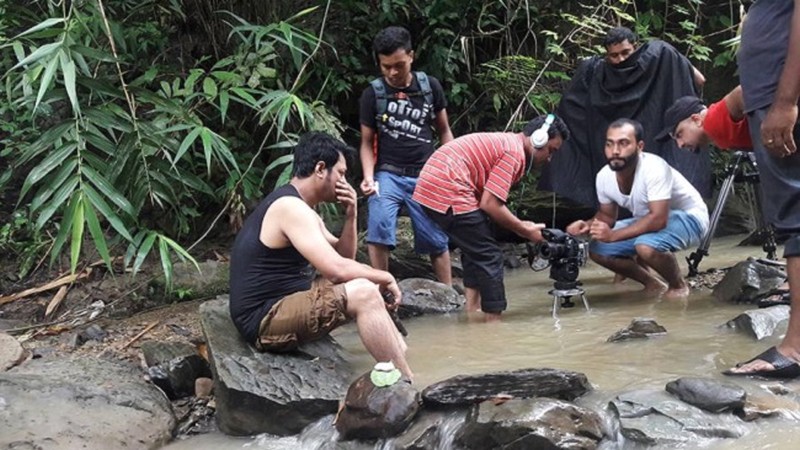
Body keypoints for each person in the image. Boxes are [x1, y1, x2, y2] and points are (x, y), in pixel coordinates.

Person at [229, 132, 412, 379]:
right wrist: (385, 275)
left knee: (363, 282)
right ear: (320, 169)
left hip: (285, 301)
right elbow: (336, 270)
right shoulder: (290, 208)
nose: (344, 181)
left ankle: (399, 352)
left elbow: (343, 258)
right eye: (342, 173)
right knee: (365, 292)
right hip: (265, 318)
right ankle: (408, 383)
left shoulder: (302, 208)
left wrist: (351, 214)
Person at [412, 115, 569, 320]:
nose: (549, 158)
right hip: (447, 187)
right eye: (551, 151)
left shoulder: (508, 143)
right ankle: (493, 325)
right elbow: (490, 204)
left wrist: (521, 225)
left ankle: (472, 311)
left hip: (432, 186)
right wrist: (524, 229)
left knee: (475, 247)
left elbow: (486, 204)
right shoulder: (514, 153)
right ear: (538, 139)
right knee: (489, 256)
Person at [540, 26, 711, 209]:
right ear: (607, 54)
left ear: (636, 46)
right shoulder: (659, 54)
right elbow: (699, 80)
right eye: (614, 56)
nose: (621, 60)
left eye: (625, 53)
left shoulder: (655, 56)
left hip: (653, 137)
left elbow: (700, 80)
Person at [723, 0, 800, 379]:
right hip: (772, 94)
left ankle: (797, 348)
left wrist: (785, 100)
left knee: (796, 214)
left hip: (782, 96)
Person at [566, 119, 709, 297]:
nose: (615, 151)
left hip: (692, 219)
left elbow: (658, 219)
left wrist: (613, 236)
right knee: (596, 248)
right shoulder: (603, 176)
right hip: (649, 221)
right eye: (609, 145)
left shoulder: (655, 168)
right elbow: (607, 216)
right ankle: (653, 284)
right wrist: (588, 226)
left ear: (640, 146)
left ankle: (678, 286)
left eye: (623, 143)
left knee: (646, 247)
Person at [359, 26, 454, 285]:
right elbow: (366, 143)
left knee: (436, 238)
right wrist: (368, 177)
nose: (392, 73)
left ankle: (447, 294)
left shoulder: (429, 87)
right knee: (378, 226)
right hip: (388, 173)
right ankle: (384, 292)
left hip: (426, 172)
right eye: (386, 66)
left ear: (411, 56)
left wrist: (450, 170)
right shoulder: (373, 94)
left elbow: (444, 131)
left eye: (398, 65)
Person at [657, 86, 752, 152]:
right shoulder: (714, 134)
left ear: (696, 119)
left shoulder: (712, 121)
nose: (680, 145)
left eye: (679, 134)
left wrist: (767, 120)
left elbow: (741, 93)